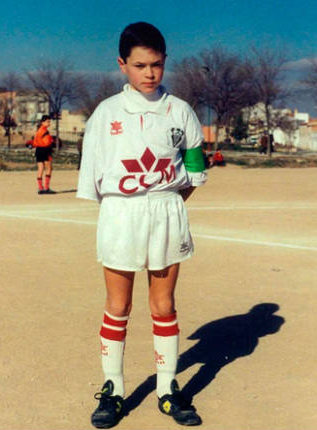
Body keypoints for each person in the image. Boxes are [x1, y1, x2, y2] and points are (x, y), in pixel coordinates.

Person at [77, 21, 207, 428]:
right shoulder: (107, 113)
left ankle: (168, 388)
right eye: (139, 65)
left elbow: (195, 167)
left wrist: (167, 201)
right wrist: (124, 206)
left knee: (163, 305)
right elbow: (93, 177)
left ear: (164, 62)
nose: (149, 73)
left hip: (166, 212)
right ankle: (113, 388)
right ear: (122, 65)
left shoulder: (180, 110)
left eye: (156, 64)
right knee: (118, 305)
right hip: (121, 214)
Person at [32, 115, 56, 194]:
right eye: (47, 121)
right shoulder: (45, 131)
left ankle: (40, 188)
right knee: (48, 168)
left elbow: (35, 142)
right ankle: (46, 187)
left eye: (49, 121)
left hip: (38, 150)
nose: (49, 123)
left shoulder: (38, 130)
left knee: (40, 168)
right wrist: (51, 141)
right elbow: (46, 142)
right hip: (45, 150)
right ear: (43, 122)